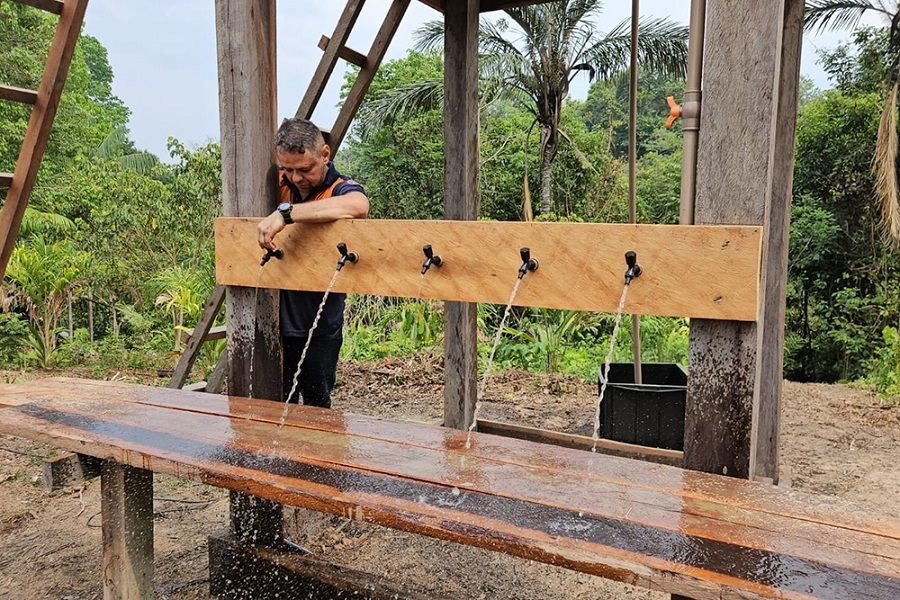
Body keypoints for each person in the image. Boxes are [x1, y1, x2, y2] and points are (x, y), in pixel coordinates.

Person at [257, 117, 369, 408]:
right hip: (274, 320)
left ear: (325, 155)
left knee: (318, 404)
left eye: (304, 169)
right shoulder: (276, 183)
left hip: (321, 323)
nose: (295, 178)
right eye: (287, 169)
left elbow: (358, 206)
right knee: (276, 405)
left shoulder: (341, 188)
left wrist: (286, 213)